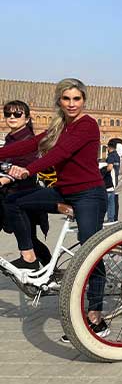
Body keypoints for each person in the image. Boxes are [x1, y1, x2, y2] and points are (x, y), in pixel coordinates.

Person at [0, 79, 108, 338]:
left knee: (90, 249)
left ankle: (96, 315)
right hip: (64, 190)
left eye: (76, 99)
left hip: (89, 194)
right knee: (13, 201)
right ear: (59, 101)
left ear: (83, 100)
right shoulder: (61, 125)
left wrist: (28, 169)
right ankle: (30, 258)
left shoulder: (87, 125)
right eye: (66, 99)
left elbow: (59, 153)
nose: (72, 104)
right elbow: (30, 145)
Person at [0, 100, 51, 264]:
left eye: (17, 114)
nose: (12, 117)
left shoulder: (30, 140)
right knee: (30, 239)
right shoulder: (10, 139)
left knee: (30, 240)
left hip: (21, 195)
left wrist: (4, 178)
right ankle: (49, 269)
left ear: (27, 118)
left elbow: (26, 167)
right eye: (8, 114)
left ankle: (46, 269)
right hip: (9, 194)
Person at [104, 139, 121, 222]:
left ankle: (101, 218)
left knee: (106, 199)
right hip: (115, 180)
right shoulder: (117, 156)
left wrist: (102, 170)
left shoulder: (111, 156)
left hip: (109, 180)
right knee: (112, 201)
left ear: (109, 147)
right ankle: (111, 218)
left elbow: (110, 167)